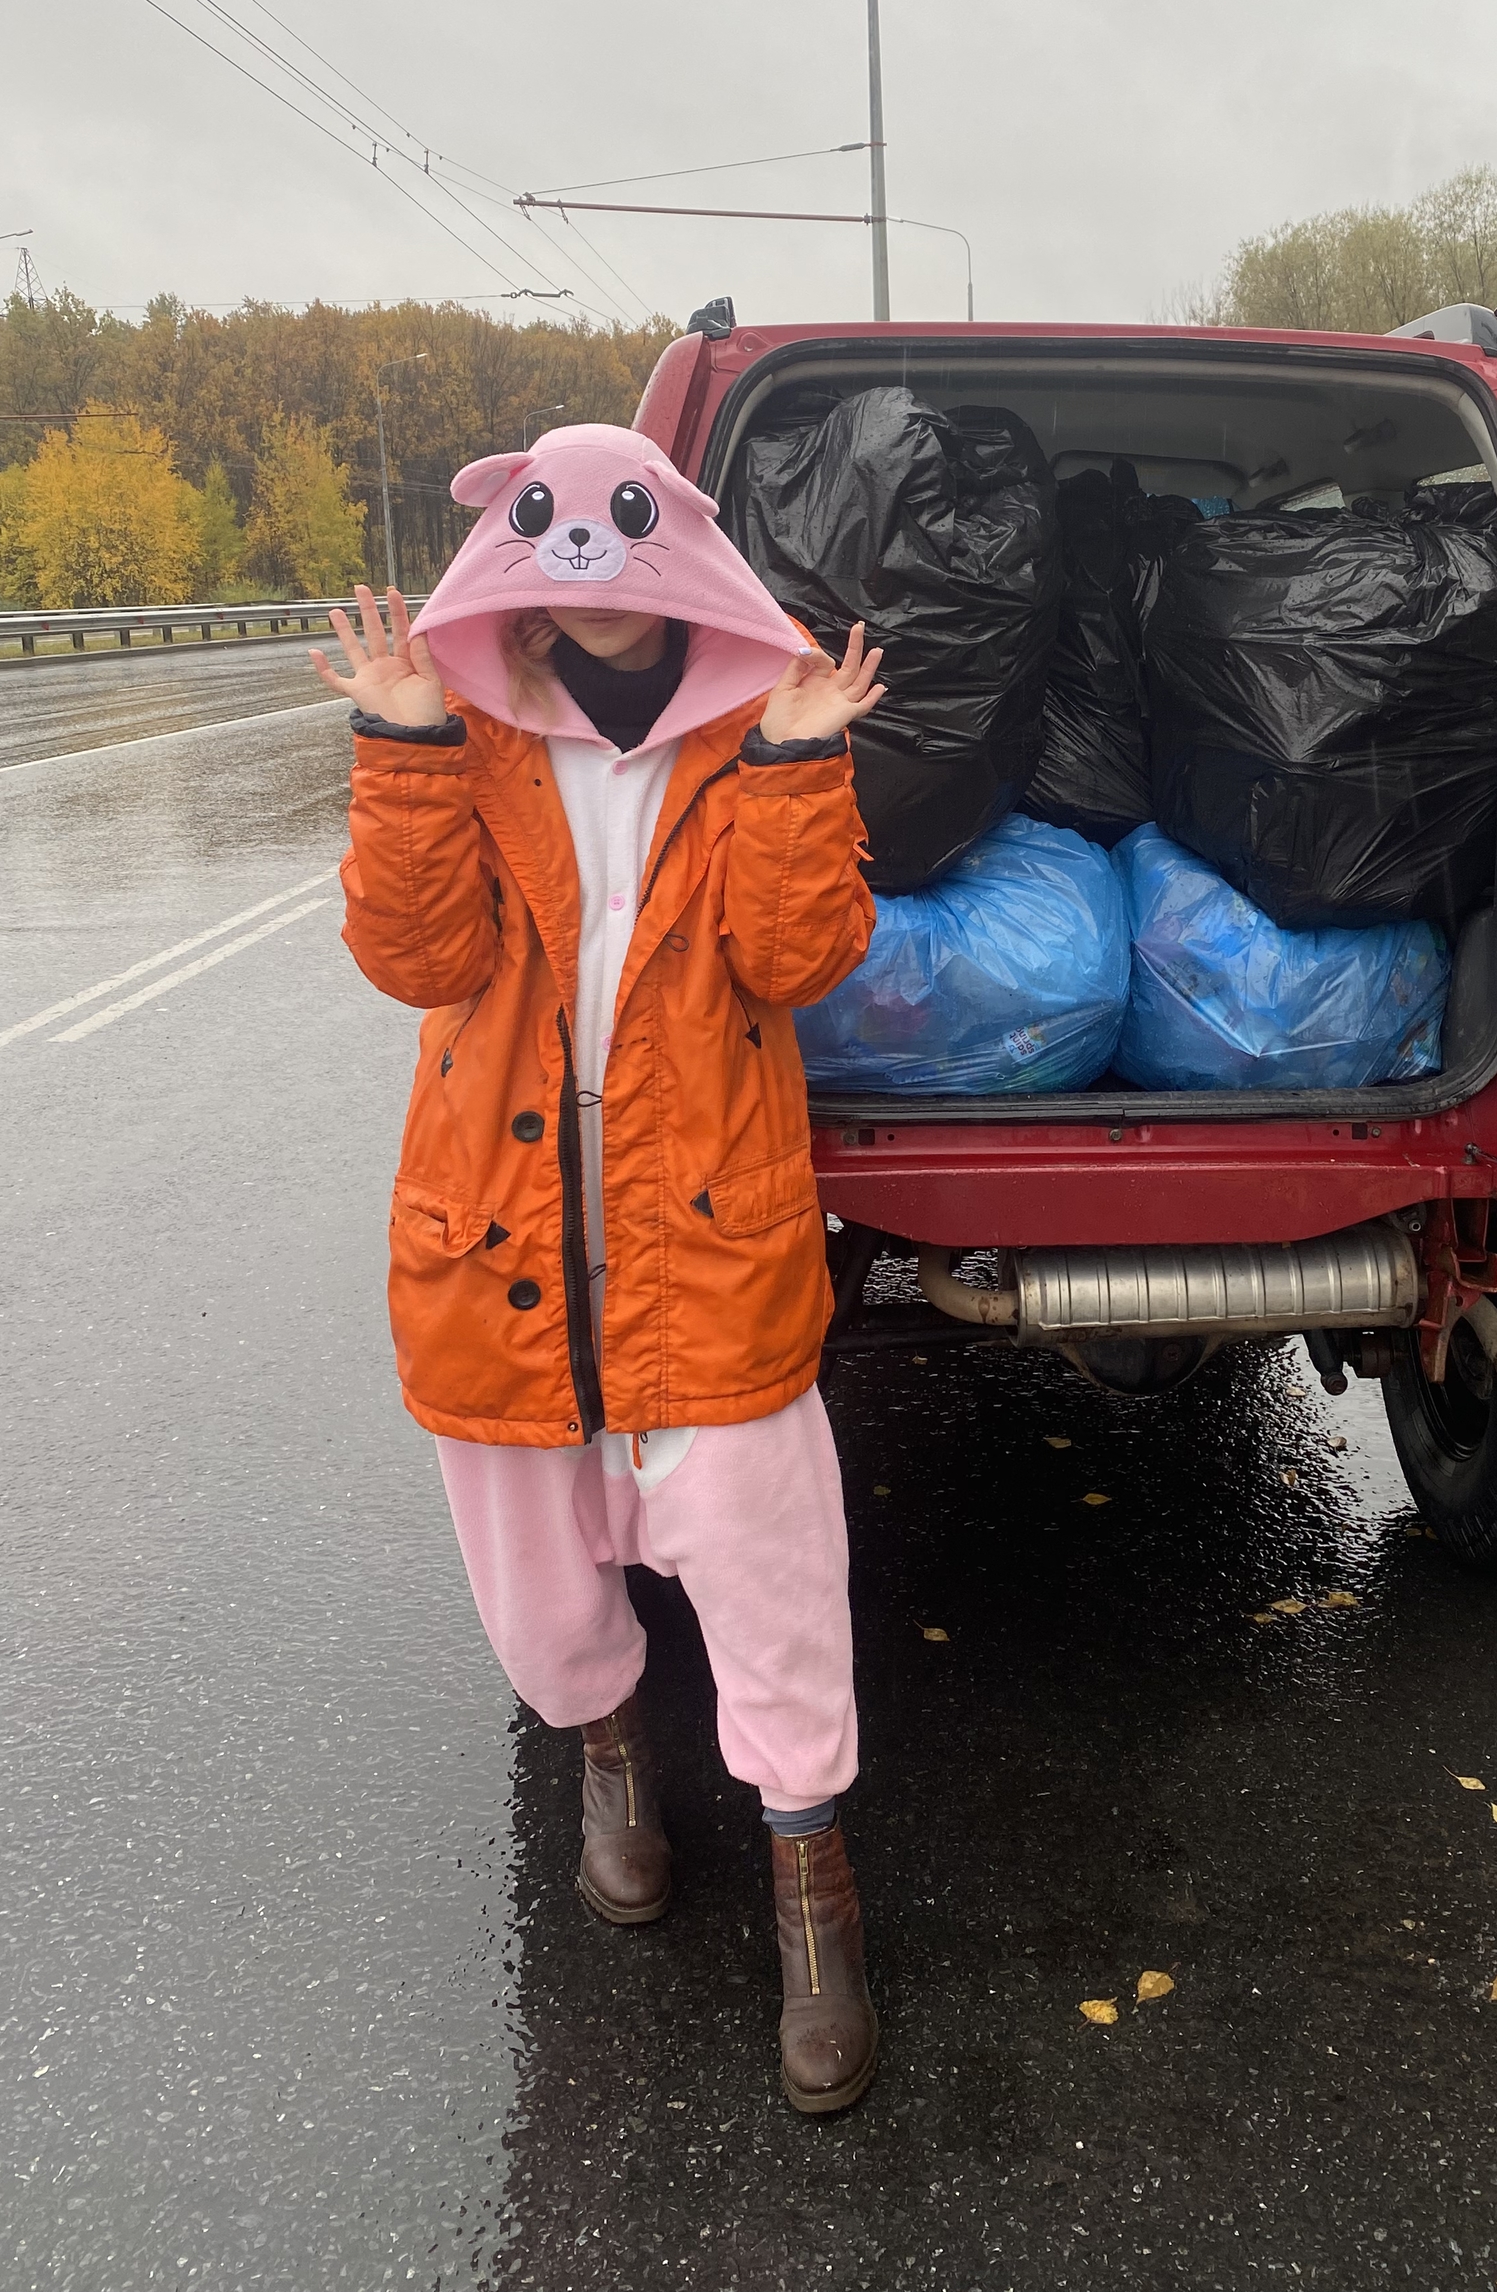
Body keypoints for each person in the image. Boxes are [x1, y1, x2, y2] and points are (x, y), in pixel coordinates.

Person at [310, 420, 885, 2115]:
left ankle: (810, 1881)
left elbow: (799, 956)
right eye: (559, 537)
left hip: (706, 1225)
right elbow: (418, 959)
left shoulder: (748, 730)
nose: (599, 579)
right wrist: (403, 745)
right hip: (500, 1230)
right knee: (541, 1561)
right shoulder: (470, 729)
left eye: (630, 533)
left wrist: (794, 771)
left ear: (682, 546)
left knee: (767, 1557)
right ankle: (608, 1750)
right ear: (518, 558)